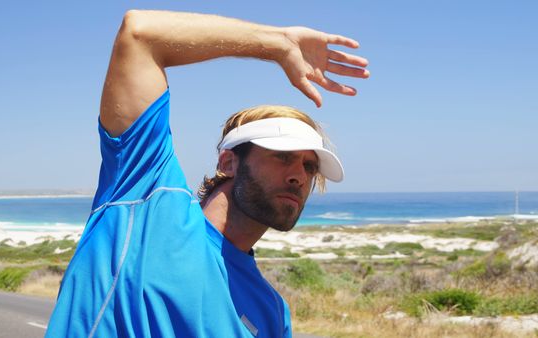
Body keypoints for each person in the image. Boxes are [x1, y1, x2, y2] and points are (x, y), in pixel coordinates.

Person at [45, 10, 369, 338]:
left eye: (309, 166)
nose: (299, 176)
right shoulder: (145, 201)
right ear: (229, 162)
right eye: (282, 157)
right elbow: (140, 34)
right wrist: (278, 43)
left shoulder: (271, 313)